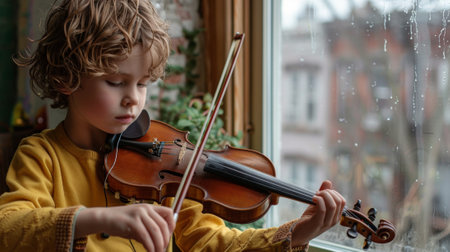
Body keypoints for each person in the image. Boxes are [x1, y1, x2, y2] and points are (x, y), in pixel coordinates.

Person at [0, 0, 346, 251]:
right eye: (116, 82)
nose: (133, 99)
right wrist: (95, 220)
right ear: (67, 78)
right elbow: (8, 230)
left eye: (143, 83)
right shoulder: (42, 156)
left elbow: (213, 242)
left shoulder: (163, 168)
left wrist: (297, 233)